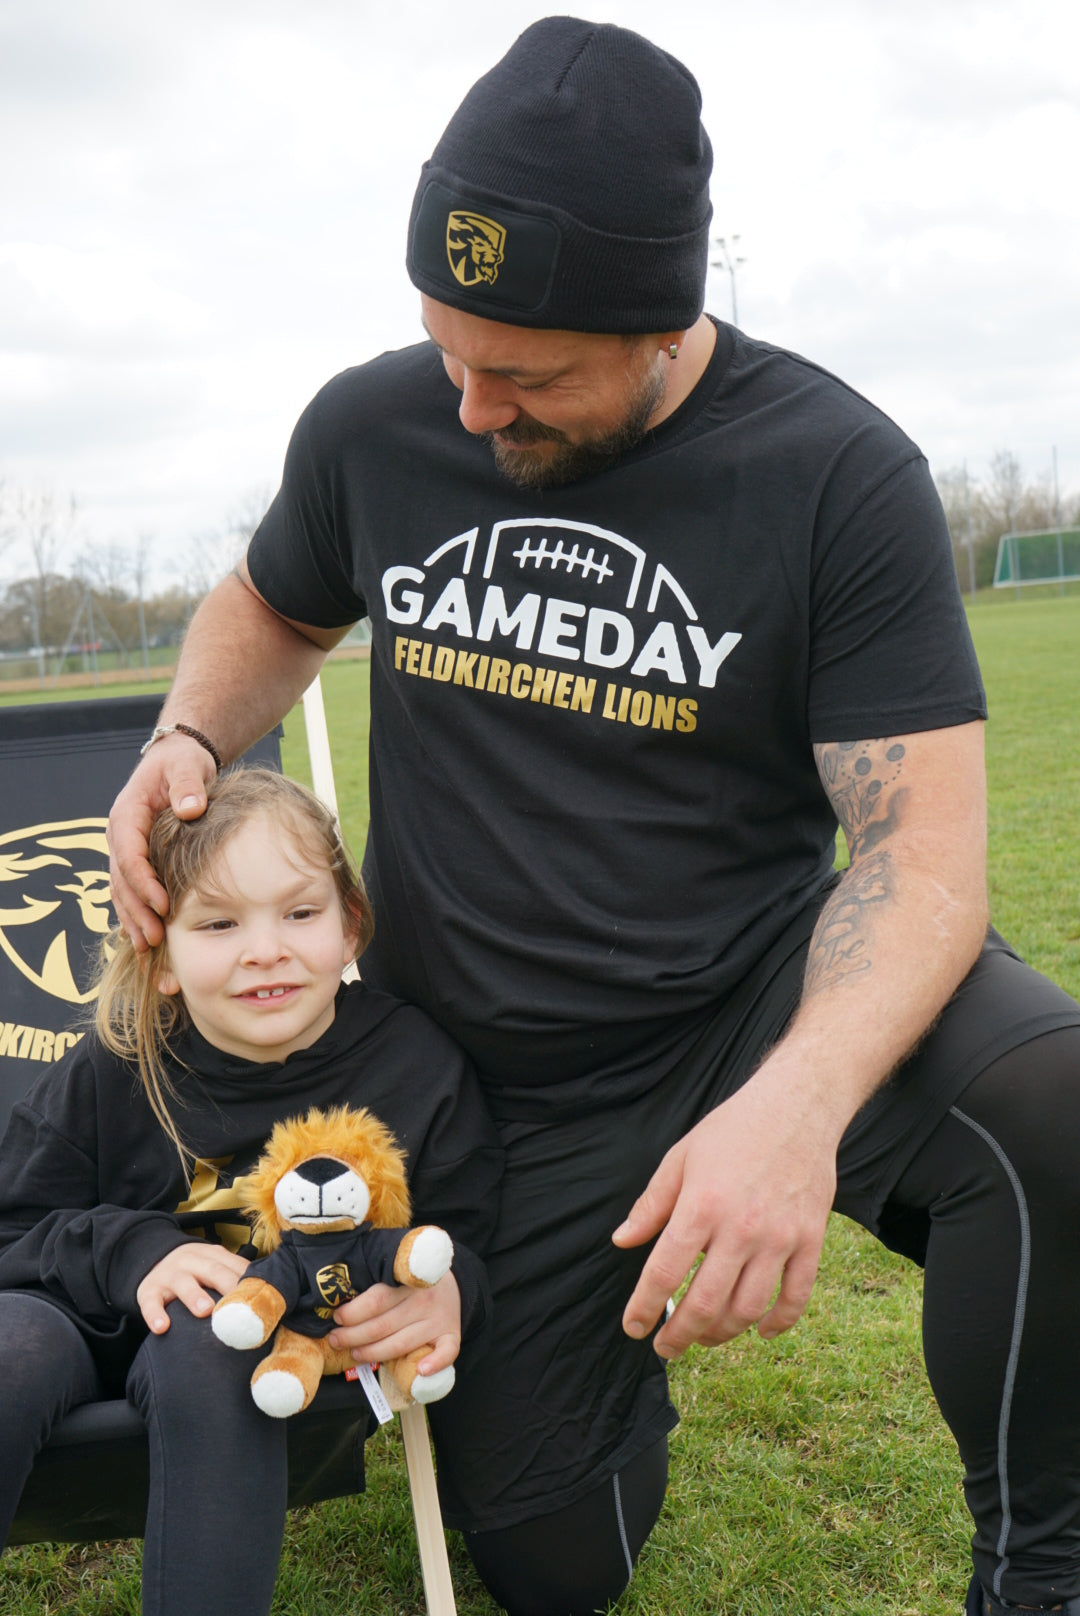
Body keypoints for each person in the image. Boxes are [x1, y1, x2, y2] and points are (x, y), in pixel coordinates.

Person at [106, 18, 1080, 1616]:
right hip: (482, 1079)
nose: (477, 408)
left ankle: (1043, 1571)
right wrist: (186, 733)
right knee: (557, 1565)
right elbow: (270, 603)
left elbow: (925, 859)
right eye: (450, 354)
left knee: (1048, 1105)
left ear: (667, 317)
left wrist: (799, 1102)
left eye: (531, 376)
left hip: (741, 1004)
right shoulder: (378, 425)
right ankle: (607, 1377)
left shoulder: (836, 472)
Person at [0, 767, 502, 1616]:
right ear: (159, 957)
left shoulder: (416, 1067)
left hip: (266, 1360)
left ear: (350, 927)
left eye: (300, 914)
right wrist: (133, 1251)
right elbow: (12, 1231)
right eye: (219, 922)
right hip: (74, 1322)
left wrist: (453, 1293)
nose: (264, 949)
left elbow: (471, 1237)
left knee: (210, 1344)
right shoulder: (116, 1070)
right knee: (9, 1350)